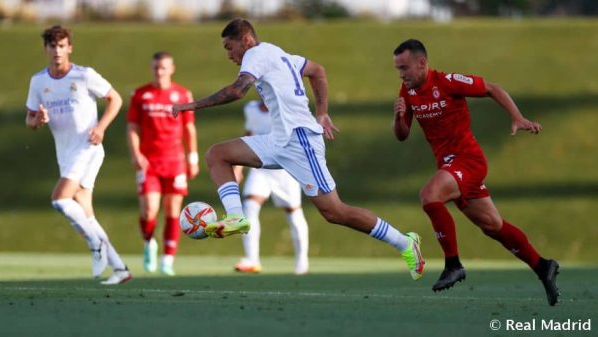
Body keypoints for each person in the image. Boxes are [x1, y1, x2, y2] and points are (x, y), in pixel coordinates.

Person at [172, 18, 424, 280]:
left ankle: (405, 244)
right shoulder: (280, 55)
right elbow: (317, 70)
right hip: (278, 140)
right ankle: (237, 217)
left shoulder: (255, 54)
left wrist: (191, 106)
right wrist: (322, 112)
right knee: (217, 154)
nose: (229, 55)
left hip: (300, 141)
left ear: (245, 40)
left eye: (229, 47)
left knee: (335, 212)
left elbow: (238, 91)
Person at [391, 39, 560, 305]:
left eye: (404, 68)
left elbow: (492, 88)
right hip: (449, 167)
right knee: (493, 226)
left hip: (468, 161)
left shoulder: (446, 81)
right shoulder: (407, 90)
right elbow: (402, 136)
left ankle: (453, 264)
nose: (401, 74)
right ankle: (543, 266)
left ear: (422, 63)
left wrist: (517, 117)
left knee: (429, 196)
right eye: (398, 69)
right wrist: (399, 118)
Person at [25, 25, 131, 285]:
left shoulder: (84, 76)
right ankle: (120, 269)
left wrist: (101, 128)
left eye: (62, 46)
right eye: (52, 46)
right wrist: (38, 119)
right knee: (85, 211)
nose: (57, 51)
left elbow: (115, 99)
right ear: (46, 49)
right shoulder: (38, 82)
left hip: (88, 148)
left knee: (60, 200)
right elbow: (29, 120)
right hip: (66, 153)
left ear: (69, 47)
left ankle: (96, 246)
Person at [126, 51, 198, 276]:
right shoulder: (140, 95)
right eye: (156, 68)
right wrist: (136, 153)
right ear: (152, 69)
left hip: (175, 161)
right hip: (149, 162)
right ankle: (149, 243)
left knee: (173, 210)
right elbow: (132, 128)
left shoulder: (183, 94)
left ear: (171, 68)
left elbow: (189, 128)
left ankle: (168, 259)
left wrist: (192, 157)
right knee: (149, 210)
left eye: (164, 68)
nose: (160, 72)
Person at [233, 100, 309, 275]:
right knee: (250, 206)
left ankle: (302, 261)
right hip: (260, 169)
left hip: (285, 169)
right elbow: (249, 136)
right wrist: (238, 167)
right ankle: (252, 260)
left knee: (293, 213)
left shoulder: (288, 110)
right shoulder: (251, 109)